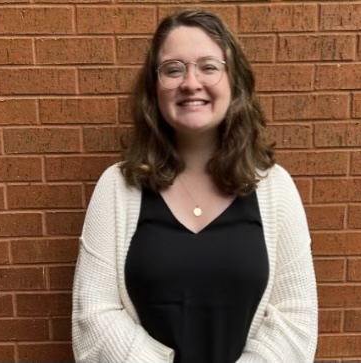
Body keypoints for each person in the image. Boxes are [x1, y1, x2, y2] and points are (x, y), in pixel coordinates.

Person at [72, 9, 317, 363]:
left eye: (208, 66)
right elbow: (93, 313)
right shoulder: (117, 187)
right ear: (153, 89)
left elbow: (297, 317)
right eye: (173, 69)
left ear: (234, 82)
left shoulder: (275, 188)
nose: (190, 82)